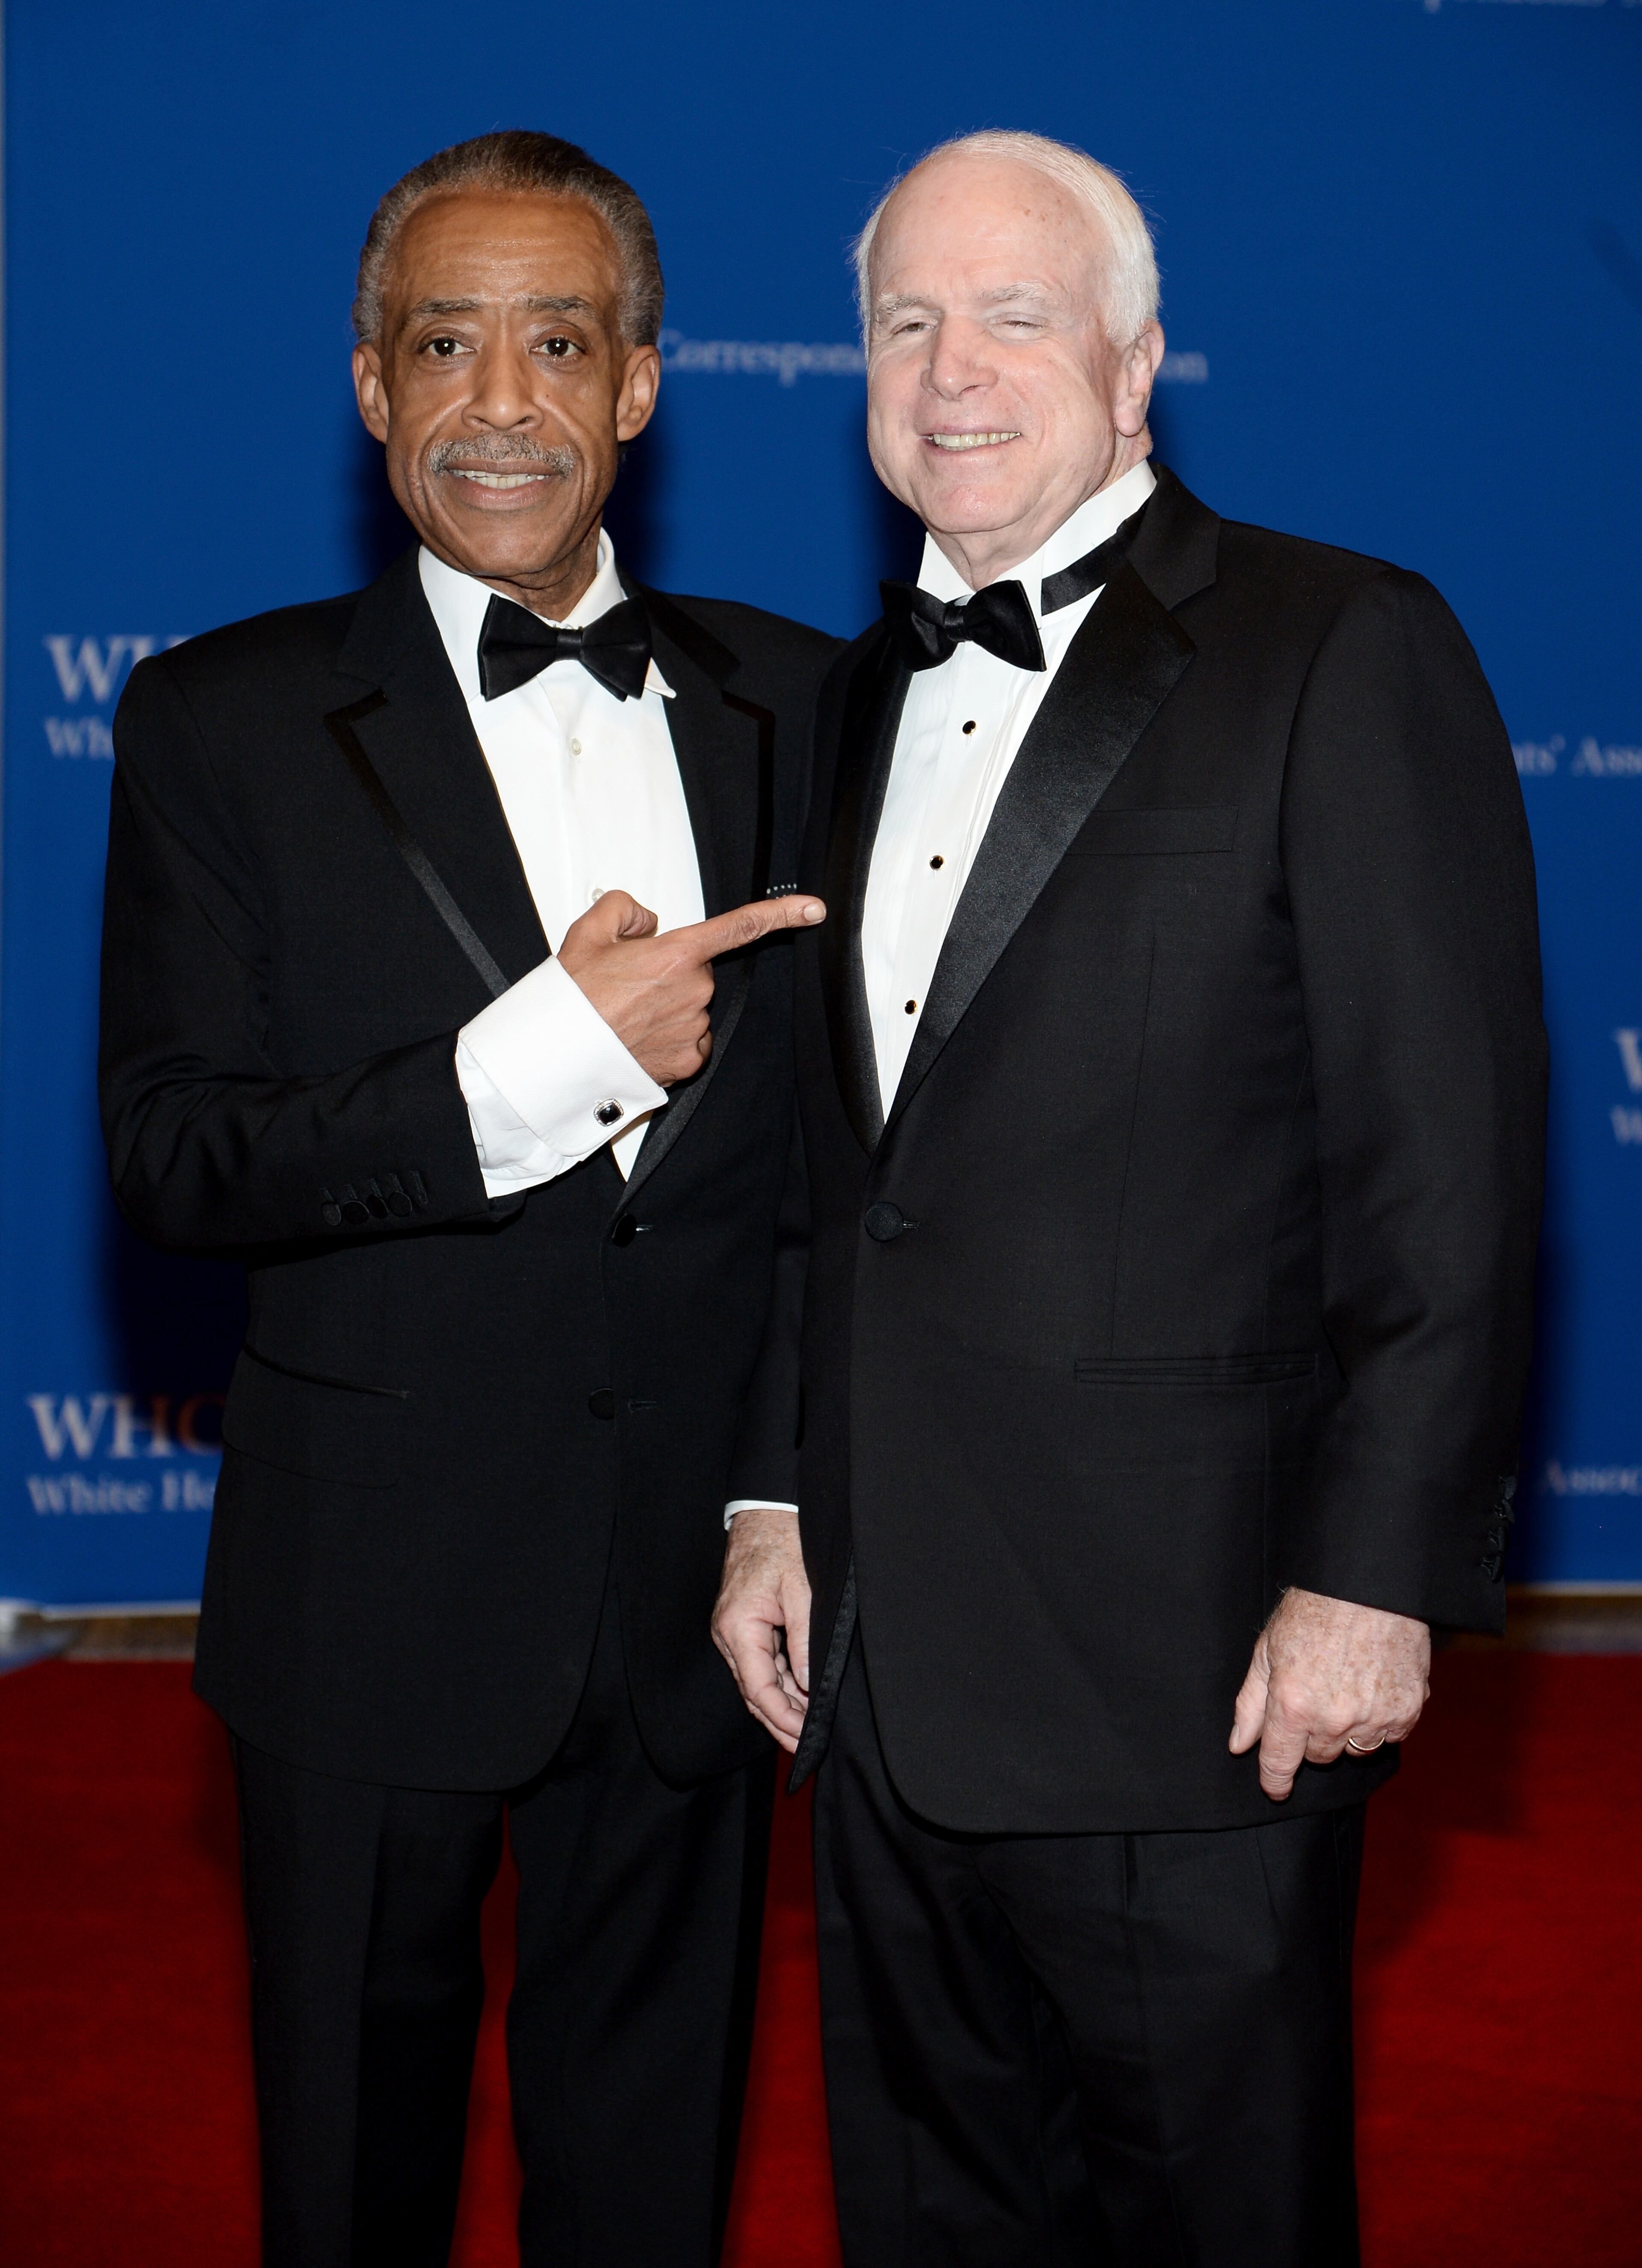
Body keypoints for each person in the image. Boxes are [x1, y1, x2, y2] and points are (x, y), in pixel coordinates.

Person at [713, 129, 1545, 2266]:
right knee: (935, 2217)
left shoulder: (1338, 644)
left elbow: (1443, 1172)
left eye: (1014, 314)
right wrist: (775, 1503)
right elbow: (839, 1181)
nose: (953, 369)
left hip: (1199, 1679)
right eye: (906, 321)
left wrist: (1372, 1581)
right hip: (888, 1680)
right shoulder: (842, 701)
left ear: (1136, 360)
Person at [99, 130, 833, 2268]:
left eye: (557, 343)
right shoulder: (221, 721)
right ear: (367, 387)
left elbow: (830, 1189)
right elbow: (174, 1156)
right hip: (366, 1601)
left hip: (692, 1607)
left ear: (637, 388)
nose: (499, 401)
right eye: (445, 343)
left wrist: (781, 1497)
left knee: (650, 2183)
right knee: (348, 2185)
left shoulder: (804, 705)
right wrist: (535, 1068)